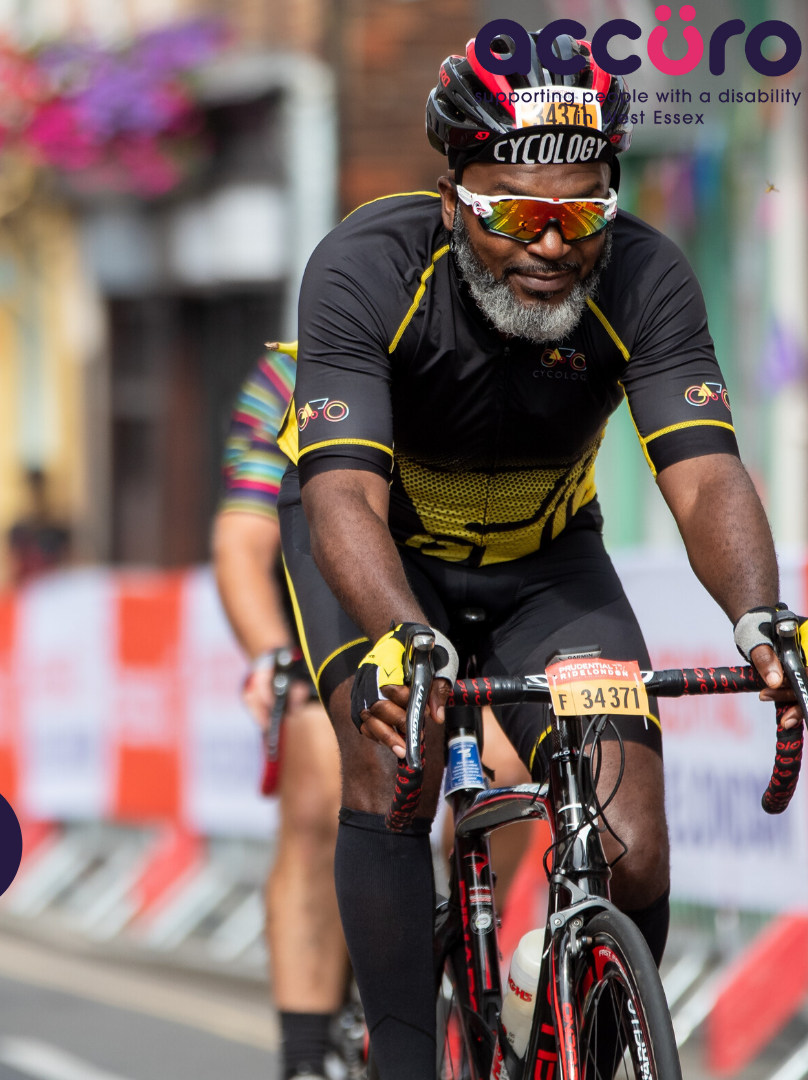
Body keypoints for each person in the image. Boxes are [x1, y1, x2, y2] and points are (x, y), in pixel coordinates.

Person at [276, 31, 797, 1079]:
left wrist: (758, 615)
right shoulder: (365, 269)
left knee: (635, 839)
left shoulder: (646, 275)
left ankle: (587, 1029)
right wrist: (404, 636)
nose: (552, 242)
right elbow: (340, 495)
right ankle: (405, 1062)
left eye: (582, 210)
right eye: (516, 211)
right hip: (386, 562)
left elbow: (702, 475)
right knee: (391, 760)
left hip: (547, 565)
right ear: (452, 194)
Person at [212, 346, 350, 1080]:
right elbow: (242, 540)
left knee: (512, 780)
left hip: (459, 597)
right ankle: (304, 1059)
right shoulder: (287, 377)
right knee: (322, 797)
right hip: (323, 611)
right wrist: (269, 651)